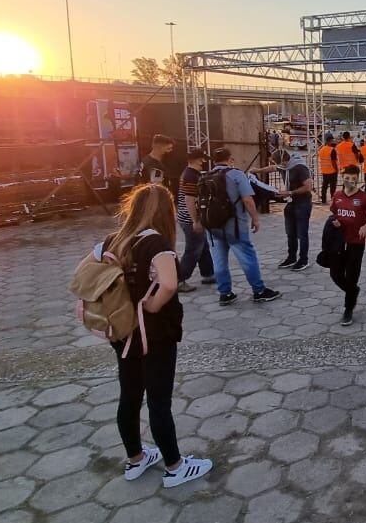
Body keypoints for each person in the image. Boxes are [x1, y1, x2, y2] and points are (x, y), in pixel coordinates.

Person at [106, 184, 213, 488]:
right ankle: (175, 466)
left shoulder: (113, 241)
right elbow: (168, 284)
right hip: (154, 334)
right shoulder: (156, 244)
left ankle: (136, 459)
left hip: (122, 331)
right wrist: (151, 305)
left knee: (129, 395)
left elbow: (84, 278)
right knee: (158, 400)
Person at [206, 148, 282, 305]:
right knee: (247, 257)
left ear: (213, 160)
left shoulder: (205, 177)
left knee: (219, 260)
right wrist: (255, 219)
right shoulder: (236, 175)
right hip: (234, 225)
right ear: (230, 159)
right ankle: (259, 290)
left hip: (212, 226)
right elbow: (247, 200)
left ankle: (225, 293)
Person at [328, 165, 366, 326]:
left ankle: (348, 308)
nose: (349, 182)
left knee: (352, 275)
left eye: (353, 179)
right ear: (343, 178)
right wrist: (334, 221)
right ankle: (353, 291)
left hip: (356, 242)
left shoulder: (364, 198)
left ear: (357, 178)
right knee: (335, 274)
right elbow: (334, 212)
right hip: (339, 242)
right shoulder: (337, 195)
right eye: (347, 178)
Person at [255, 148, 313, 272]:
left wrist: (290, 192)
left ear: (285, 160)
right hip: (291, 203)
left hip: (303, 203)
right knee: (290, 233)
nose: (277, 166)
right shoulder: (283, 166)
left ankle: (303, 260)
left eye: (278, 163)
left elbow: (308, 187)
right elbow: (272, 168)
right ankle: (291, 257)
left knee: (302, 233)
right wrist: (258, 170)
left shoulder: (299, 167)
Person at [176, 148, 214, 292]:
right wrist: (195, 220)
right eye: (203, 160)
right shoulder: (191, 176)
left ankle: (208, 273)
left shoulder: (189, 173)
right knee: (193, 250)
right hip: (189, 218)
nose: (204, 163)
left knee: (202, 246)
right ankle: (179, 280)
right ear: (198, 160)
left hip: (186, 217)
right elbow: (189, 200)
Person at [317, 133, 338, 204]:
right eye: (332, 140)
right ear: (330, 140)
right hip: (332, 171)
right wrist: (336, 169)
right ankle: (333, 200)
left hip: (324, 170)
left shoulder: (321, 149)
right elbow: (333, 162)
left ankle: (323, 200)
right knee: (332, 187)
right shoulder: (332, 150)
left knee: (324, 186)